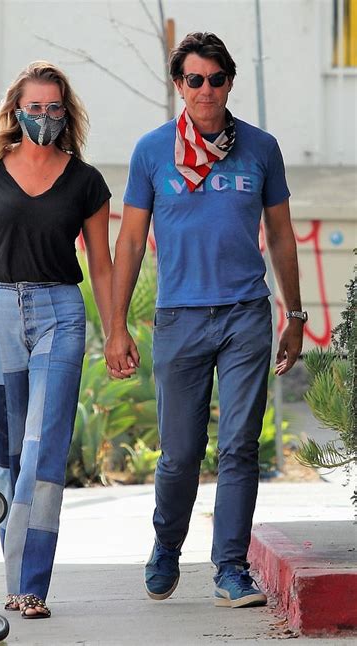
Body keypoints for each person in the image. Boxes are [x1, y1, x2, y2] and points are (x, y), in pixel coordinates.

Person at [104, 32, 307, 609]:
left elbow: (284, 236)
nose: (206, 90)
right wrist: (116, 326)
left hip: (245, 314)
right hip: (180, 318)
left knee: (241, 446)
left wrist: (294, 314)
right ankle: (167, 546)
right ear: (179, 86)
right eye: (195, 79)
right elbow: (132, 241)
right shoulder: (152, 152)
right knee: (180, 452)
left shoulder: (262, 149)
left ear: (230, 82)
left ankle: (231, 568)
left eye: (217, 79)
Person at [0, 61, 112, 618]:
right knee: (7, 450)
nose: (44, 116)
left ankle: (31, 586)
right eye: (34, 107)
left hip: (60, 313)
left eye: (54, 107)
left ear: (67, 113)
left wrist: (116, 332)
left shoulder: (86, 181)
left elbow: (103, 266)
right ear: (16, 111)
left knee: (43, 447)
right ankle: (14, 572)